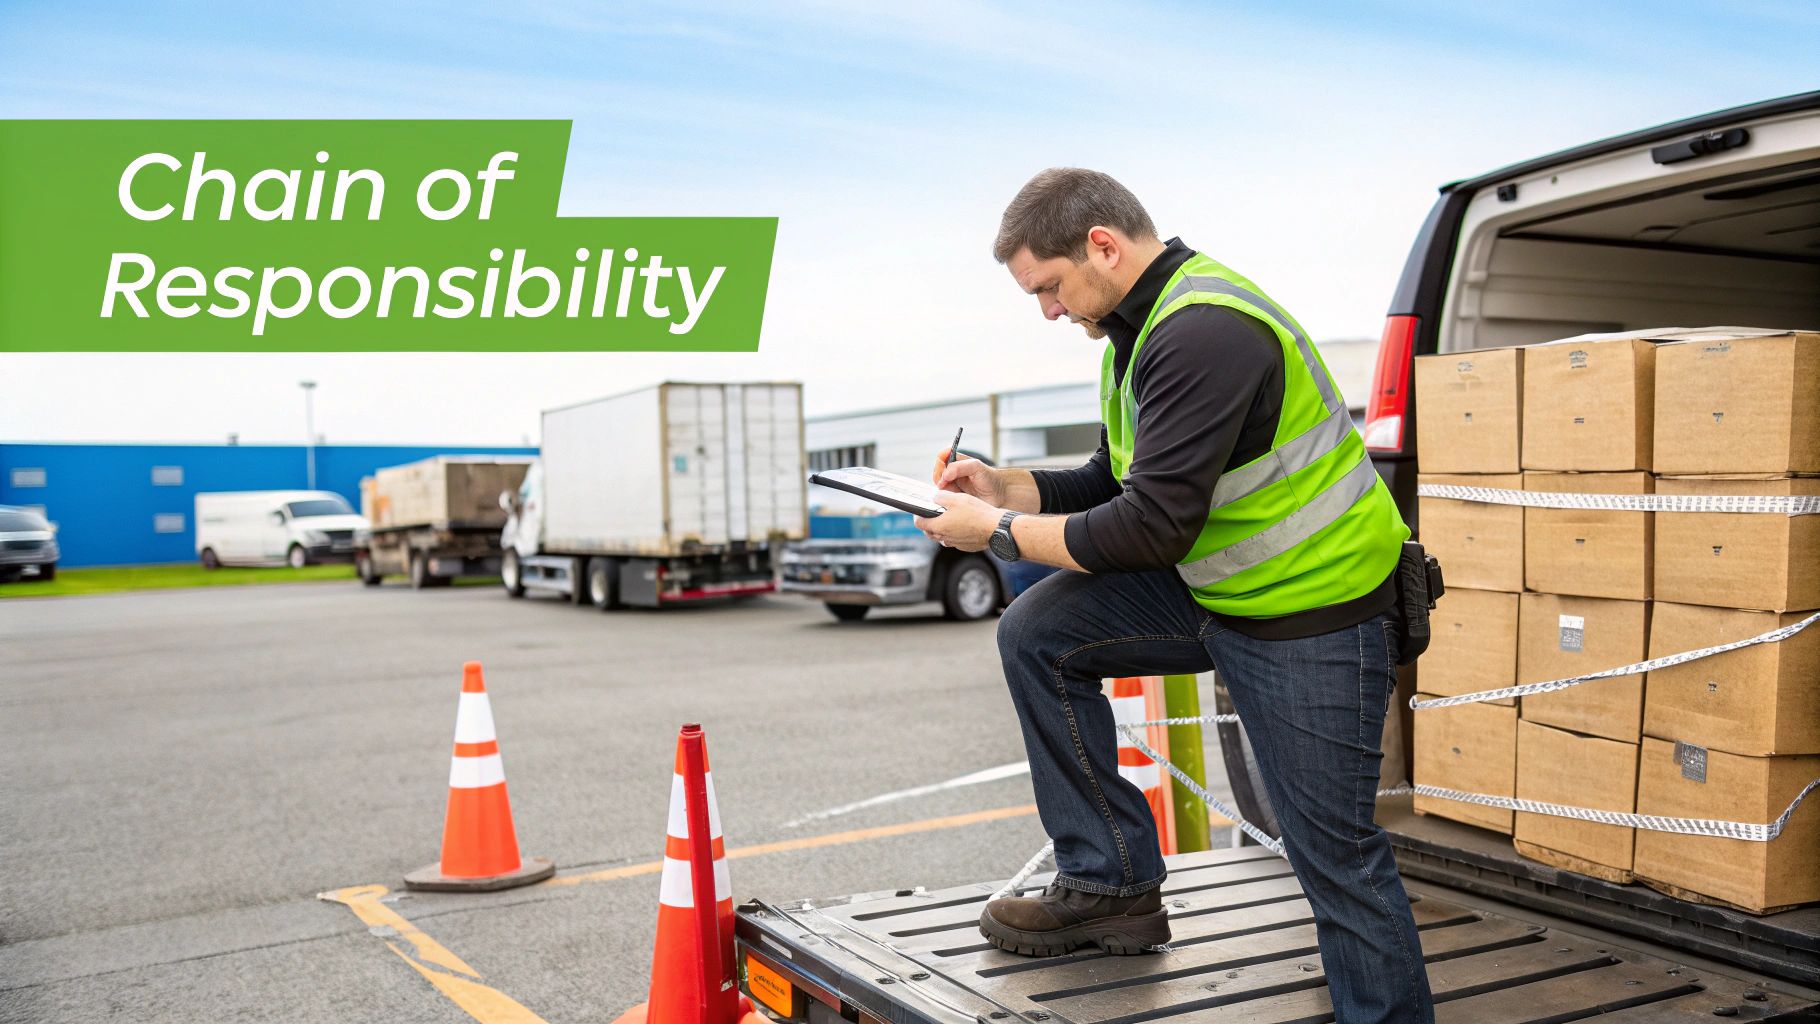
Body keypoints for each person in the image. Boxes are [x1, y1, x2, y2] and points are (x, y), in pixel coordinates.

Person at [912, 168, 1435, 1023]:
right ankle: (1110, 883)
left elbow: (1149, 529)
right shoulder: (1134, 330)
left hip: (1314, 615)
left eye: (1049, 287)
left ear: (1104, 247)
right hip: (1220, 590)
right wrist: (1002, 487)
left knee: (1333, 856)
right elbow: (1111, 480)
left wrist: (993, 534)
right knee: (1037, 632)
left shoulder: (1204, 333)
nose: (1048, 311)